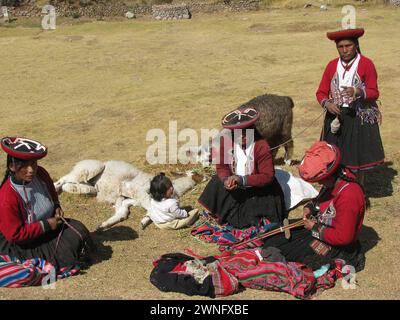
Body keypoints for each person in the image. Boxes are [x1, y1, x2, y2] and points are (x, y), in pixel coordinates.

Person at [262, 141, 366, 271]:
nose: (319, 183)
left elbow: (344, 237)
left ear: (329, 175)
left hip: (336, 246)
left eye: (320, 179)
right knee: (272, 234)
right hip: (320, 228)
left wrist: (314, 227)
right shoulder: (336, 178)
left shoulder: (349, 195)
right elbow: (321, 200)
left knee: (281, 247)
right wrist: (309, 208)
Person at [0, 137, 94, 272]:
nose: (31, 170)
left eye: (33, 164)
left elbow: (52, 194)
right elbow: (16, 235)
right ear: (12, 166)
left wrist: (56, 207)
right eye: (25, 166)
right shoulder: (6, 197)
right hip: (22, 243)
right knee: (64, 252)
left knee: (78, 229)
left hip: (46, 229)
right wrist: (47, 225)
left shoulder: (41, 174)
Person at [316, 28, 385, 186]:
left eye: (348, 45)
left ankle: (356, 191)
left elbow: (374, 92)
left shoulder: (366, 64)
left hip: (358, 116)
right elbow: (320, 92)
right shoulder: (332, 65)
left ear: (356, 45)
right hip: (335, 116)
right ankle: (334, 189)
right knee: (333, 156)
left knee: (356, 159)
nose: (345, 50)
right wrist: (327, 103)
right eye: (340, 47)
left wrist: (358, 91)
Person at [198, 107, 286, 229]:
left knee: (253, 210)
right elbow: (222, 166)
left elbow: (267, 176)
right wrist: (226, 180)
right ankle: (218, 213)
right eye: (237, 134)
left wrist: (242, 180)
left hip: (257, 187)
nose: (241, 137)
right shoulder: (226, 141)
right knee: (216, 182)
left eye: (245, 133)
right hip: (235, 185)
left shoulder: (261, 146)